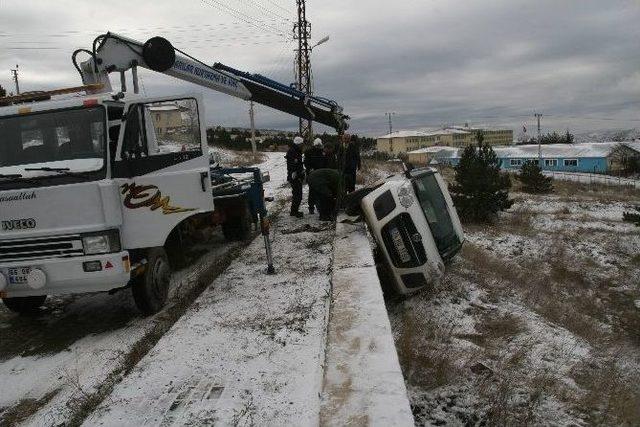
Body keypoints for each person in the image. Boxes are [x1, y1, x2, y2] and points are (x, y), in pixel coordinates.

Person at [304, 138, 327, 214]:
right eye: (317, 145)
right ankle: (311, 207)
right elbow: (306, 163)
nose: (318, 147)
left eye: (319, 145)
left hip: (320, 174)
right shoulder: (309, 152)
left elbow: (324, 163)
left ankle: (319, 207)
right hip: (312, 175)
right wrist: (310, 169)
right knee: (312, 191)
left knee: (319, 191)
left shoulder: (322, 152)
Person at [286, 136, 305, 218]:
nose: (302, 145)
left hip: (297, 175)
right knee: (298, 194)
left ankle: (294, 210)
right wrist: (295, 173)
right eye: (301, 144)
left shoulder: (296, 151)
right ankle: (294, 211)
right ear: (298, 144)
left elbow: (298, 163)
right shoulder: (292, 151)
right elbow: (291, 164)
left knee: (297, 194)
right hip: (295, 176)